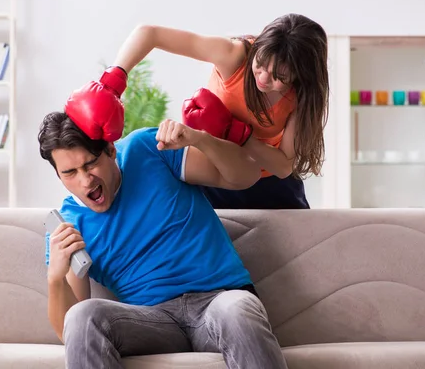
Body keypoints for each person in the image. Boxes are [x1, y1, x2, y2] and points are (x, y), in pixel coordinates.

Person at [38, 67, 288, 368]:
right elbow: (72, 333)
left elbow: (245, 176)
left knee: (239, 308)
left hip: (219, 301)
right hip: (153, 321)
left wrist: (199, 139)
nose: (85, 180)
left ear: (110, 149)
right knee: (82, 316)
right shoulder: (70, 224)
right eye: (69, 173)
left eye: (90, 164)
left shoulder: (149, 148)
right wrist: (55, 278)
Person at [109, 13, 330, 209]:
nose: (263, 79)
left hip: (271, 183)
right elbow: (150, 34)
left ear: (300, 76)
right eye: (260, 64)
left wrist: (238, 134)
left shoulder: (302, 96)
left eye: (279, 77)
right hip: (218, 173)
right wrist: (112, 82)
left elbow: (283, 167)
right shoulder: (234, 55)